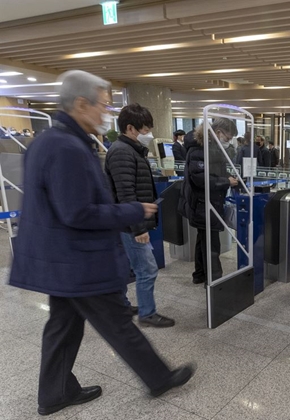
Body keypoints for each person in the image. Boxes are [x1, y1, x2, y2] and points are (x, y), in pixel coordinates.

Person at [8, 70, 194, 416]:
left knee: (63, 326)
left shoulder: (49, 141)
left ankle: (55, 392)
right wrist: (132, 211)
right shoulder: (67, 147)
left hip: (60, 260)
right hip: (77, 260)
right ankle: (159, 378)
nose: (106, 115)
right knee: (117, 322)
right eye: (103, 107)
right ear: (81, 104)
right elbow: (77, 213)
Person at [105, 104, 175, 328]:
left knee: (125, 267)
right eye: (145, 129)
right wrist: (139, 228)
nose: (149, 134)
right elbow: (126, 194)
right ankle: (147, 313)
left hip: (126, 222)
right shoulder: (122, 152)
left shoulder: (131, 150)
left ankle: (121, 306)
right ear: (130, 128)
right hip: (129, 224)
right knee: (147, 269)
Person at [179, 118, 239, 285]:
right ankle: (214, 282)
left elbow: (213, 171)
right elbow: (200, 179)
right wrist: (226, 181)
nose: (228, 141)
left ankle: (199, 274)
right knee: (212, 244)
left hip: (206, 202)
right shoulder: (200, 149)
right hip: (203, 203)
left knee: (203, 238)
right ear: (218, 132)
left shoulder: (211, 148)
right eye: (227, 137)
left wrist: (226, 176)